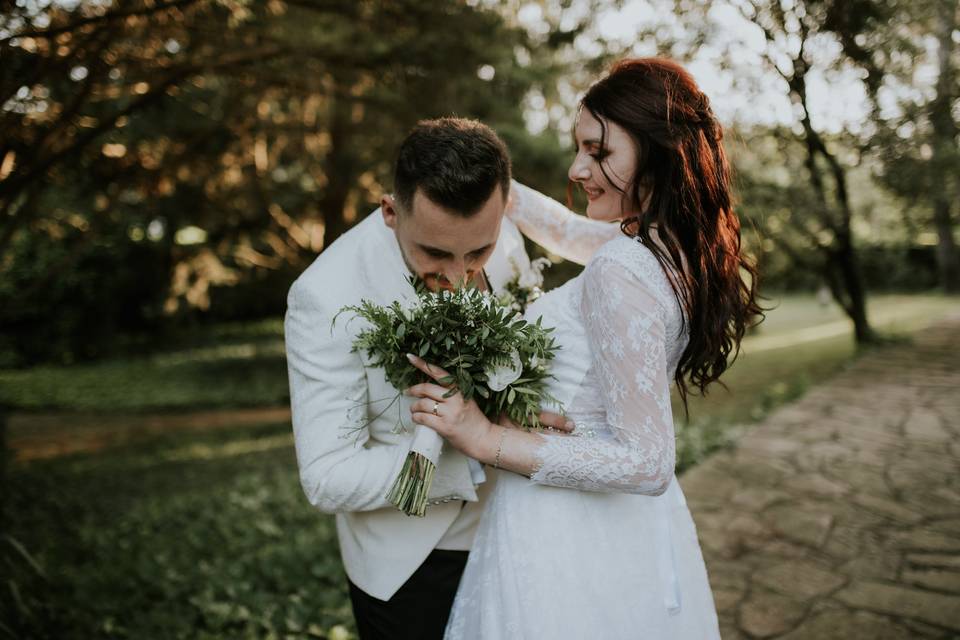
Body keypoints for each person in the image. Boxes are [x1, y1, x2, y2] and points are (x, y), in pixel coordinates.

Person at [405, 58, 762, 638]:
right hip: (628, 533)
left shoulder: (620, 269)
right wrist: (490, 179)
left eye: (599, 152)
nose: (578, 168)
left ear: (658, 149)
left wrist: (487, 436)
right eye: (580, 149)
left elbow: (648, 461)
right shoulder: (670, 243)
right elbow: (571, 234)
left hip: (563, 534)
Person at [284, 117, 572, 640]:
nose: (460, 275)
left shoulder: (499, 234)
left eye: (477, 253)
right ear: (391, 212)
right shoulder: (325, 297)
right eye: (435, 254)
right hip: (415, 566)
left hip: (520, 530)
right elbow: (327, 476)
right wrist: (476, 450)